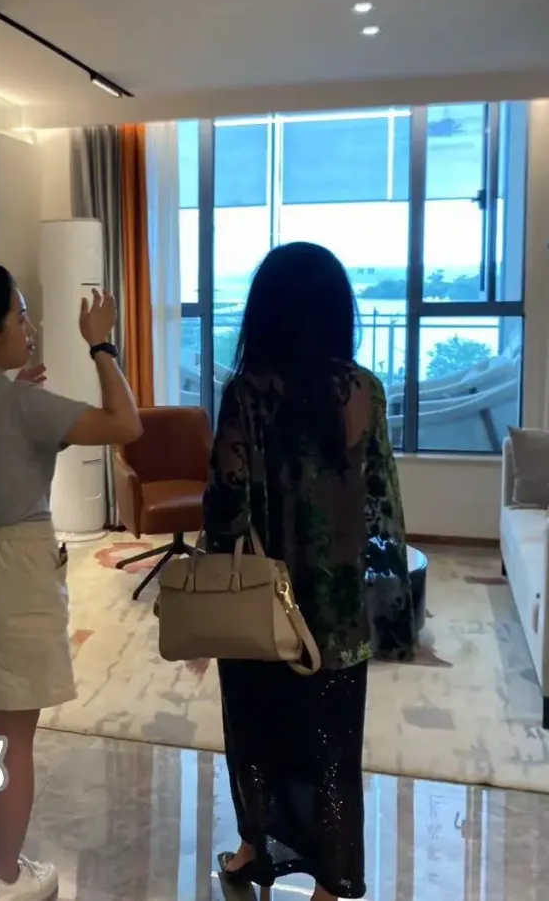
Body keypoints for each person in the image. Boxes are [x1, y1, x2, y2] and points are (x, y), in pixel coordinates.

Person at [0, 261, 142, 901]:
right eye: (20, 317)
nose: (31, 327)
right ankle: (8, 876)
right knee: (13, 732)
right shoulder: (22, 404)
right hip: (14, 569)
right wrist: (101, 344)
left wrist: (18, 393)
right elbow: (127, 424)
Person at [204, 242, 416, 901]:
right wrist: (392, 612)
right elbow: (383, 504)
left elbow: (226, 504)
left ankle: (254, 850)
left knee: (255, 733)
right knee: (333, 750)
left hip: (261, 608)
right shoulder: (364, 391)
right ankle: (331, 881)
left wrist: (217, 576)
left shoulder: (246, 394)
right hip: (338, 608)